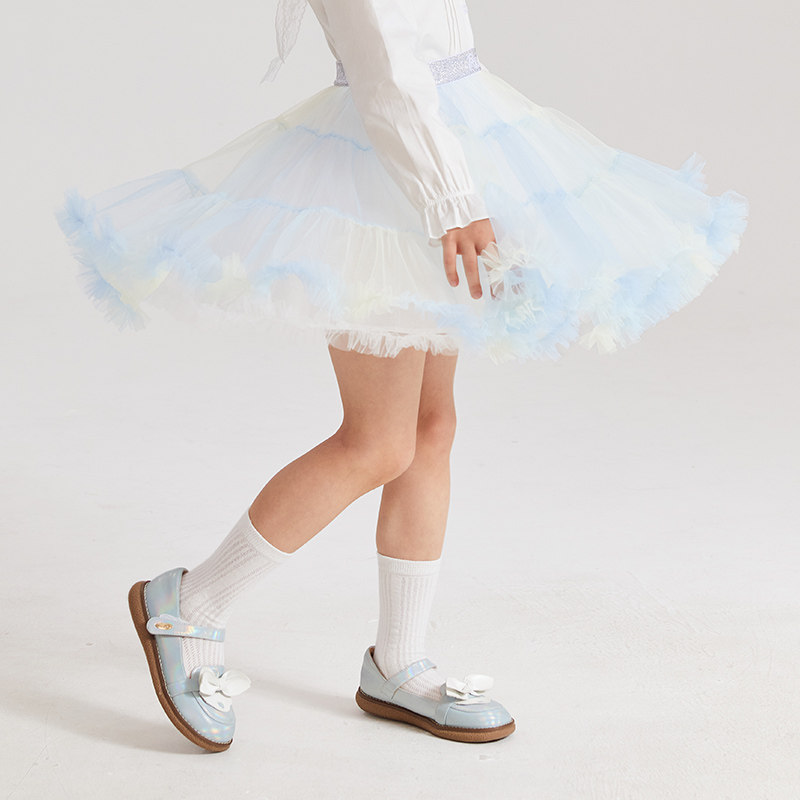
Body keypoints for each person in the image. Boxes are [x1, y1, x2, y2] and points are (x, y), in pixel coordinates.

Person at [56, 0, 749, 751]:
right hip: (395, 172)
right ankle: (190, 604)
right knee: (378, 442)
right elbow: (385, 68)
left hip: (454, 132)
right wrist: (452, 200)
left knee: (430, 428)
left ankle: (399, 660)